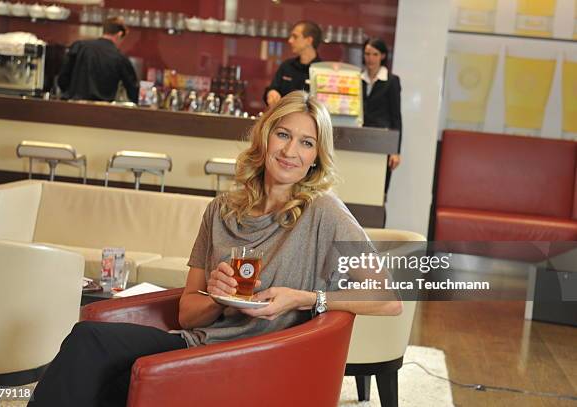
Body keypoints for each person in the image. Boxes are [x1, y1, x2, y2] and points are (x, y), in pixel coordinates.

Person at [28, 91, 402, 407]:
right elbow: (189, 315)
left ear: (317, 156)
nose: (291, 151)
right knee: (88, 340)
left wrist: (302, 299)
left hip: (261, 359)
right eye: (283, 135)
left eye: (307, 143)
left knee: (110, 377)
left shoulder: (323, 210)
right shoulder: (221, 210)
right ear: (265, 137)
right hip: (198, 345)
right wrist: (219, 299)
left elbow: (389, 299)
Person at [57, 17, 139, 104]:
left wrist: (68, 93)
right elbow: (133, 88)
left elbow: (62, 78)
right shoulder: (119, 57)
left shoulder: (79, 46)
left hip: (75, 105)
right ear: (119, 34)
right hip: (103, 110)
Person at [361, 38, 402, 198]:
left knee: (378, 193)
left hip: (382, 142)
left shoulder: (391, 81)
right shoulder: (358, 78)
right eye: (367, 53)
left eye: (375, 54)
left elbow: (396, 117)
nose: (370, 58)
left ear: (383, 56)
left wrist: (395, 150)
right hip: (360, 140)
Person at [264, 21, 322, 107]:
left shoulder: (321, 71)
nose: (290, 40)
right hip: (284, 118)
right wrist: (271, 93)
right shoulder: (286, 66)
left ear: (309, 40)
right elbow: (272, 89)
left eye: (295, 37)